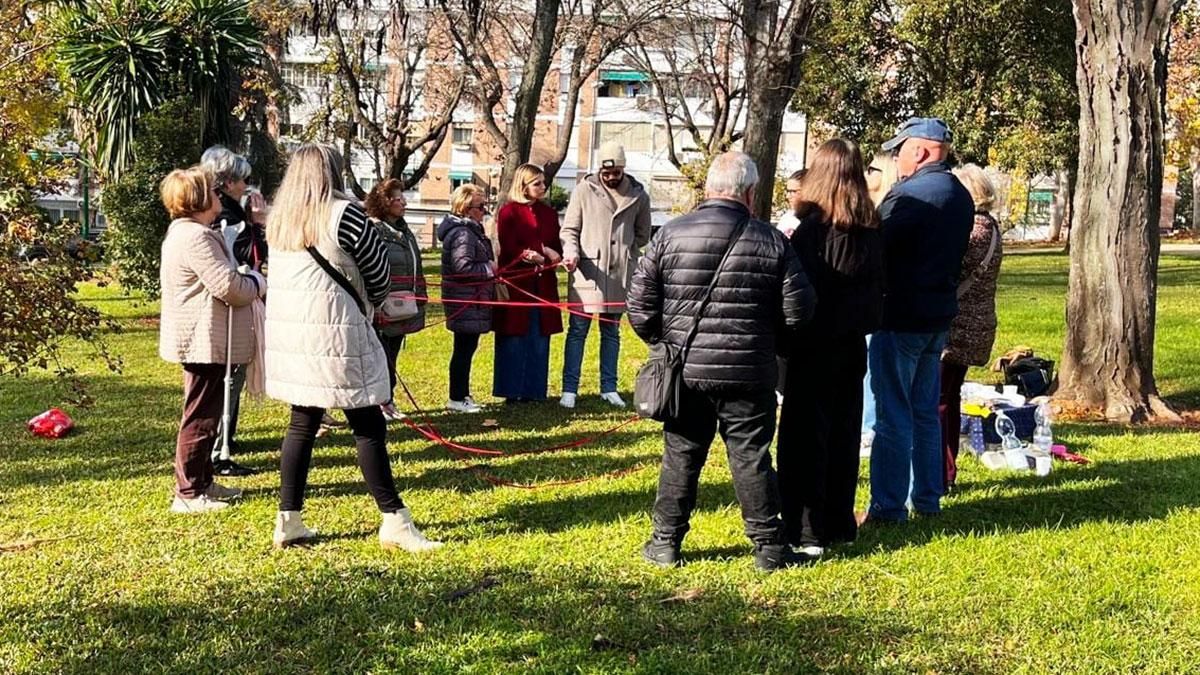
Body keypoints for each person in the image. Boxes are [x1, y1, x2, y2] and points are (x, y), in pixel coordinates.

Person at [627, 151, 817, 572]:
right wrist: (769, 343)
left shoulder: (670, 234)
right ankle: (769, 548)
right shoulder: (772, 240)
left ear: (708, 187)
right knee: (751, 457)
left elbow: (639, 307)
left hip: (686, 370)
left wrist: (665, 345)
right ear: (749, 192)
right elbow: (799, 311)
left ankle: (665, 543)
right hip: (750, 372)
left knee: (681, 455)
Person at [263, 144, 441, 552]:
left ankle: (288, 517)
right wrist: (374, 302)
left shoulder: (281, 219)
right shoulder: (346, 214)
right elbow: (378, 275)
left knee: (302, 424)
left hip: (294, 337)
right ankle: (394, 519)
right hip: (338, 332)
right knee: (368, 424)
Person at [776, 139, 884, 558]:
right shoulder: (871, 230)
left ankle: (807, 529)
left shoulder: (812, 232)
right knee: (842, 432)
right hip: (851, 344)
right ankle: (839, 519)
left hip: (813, 345)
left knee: (806, 438)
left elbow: (798, 295)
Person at [865, 117, 974, 524]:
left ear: (921, 151)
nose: (896, 159)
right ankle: (927, 499)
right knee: (926, 412)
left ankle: (888, 507)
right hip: (936, 317)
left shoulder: (908, 195)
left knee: (893, 413)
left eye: (900, 150)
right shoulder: (960, 196)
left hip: (901, 316)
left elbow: (876, 252)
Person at [157, 167, 265, 513]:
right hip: (202, 339)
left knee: (209, 411)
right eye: (213, 192)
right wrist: (259, 284)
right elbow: (230, 288)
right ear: (200, 199)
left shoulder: (190, 233)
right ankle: (188, 493)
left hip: (207, 337)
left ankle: (203, 482)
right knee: (201, 415)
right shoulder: (195, 238)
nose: (220, 196)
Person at [559, 142, 651, 409]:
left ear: (623, 169)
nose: (611, 177)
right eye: (606, 172)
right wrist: (572, 251)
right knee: (578, 331)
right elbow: (569, 230)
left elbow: (643, 233)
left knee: (611, 332)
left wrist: (626, 253)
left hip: (620, 275)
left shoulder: (639, 195)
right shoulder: (583, 190)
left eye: (616, 173)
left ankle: (608, 387)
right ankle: (569, 389)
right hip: (587, 273)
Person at [200, 145, 268, 476]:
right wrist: (256, 224)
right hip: (229, 309)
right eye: (242, 180)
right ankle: (217, 449)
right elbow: (243, 257)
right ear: (226, 182)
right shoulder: (226, 218)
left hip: (240, 306)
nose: (246, 187)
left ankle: (226, 437)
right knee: (228, 378)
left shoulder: (232, 213)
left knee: (234, 375)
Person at [941, 164, 1003, 490]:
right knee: (948, 400)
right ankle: (945, 471)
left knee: (939, 401)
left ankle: (941, 472)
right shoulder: (990, 227)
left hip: (958, 327)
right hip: (973, 326)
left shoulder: (973, 231)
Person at [492, 163, 563, 403]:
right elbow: (509, 246)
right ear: (523, 186)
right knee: (513, 337)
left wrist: (553, 254)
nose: (543, 187)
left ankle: (534, 390)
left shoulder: (549, 214)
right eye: (537, 183)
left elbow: (556, 246)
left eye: (543, 183)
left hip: (543, 286)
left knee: (539, 337)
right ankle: (511, 390)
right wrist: (534, 253)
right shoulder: (509, 212)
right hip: (517, 285)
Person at [364, 178, 426, 422]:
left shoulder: (405, 230)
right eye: (397, 198)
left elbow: (415, 264)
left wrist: (419, 293)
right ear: (383, 202)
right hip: (383, 305)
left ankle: (387, 398)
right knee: (380, 356)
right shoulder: (373, 228)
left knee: (392, 356)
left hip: (404, 304)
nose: (403, 202)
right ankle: (379, 402)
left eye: (403, 197)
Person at [436, 184, 495, 413]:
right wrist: (489, 268)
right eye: (481, 207)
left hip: (471, 300)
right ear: (467, 208)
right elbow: (463, 267)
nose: (484, 211)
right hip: (465, 301)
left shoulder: (471, 230)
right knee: (463, 350)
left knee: (466, 349)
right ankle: (457, 398)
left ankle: (462, 394)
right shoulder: (463, 233)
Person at [860, 152, 900, 453]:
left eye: (871, 168)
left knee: (874, 366)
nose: (865, 172)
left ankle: (869, 427)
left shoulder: (887, 211)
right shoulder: (871, 209)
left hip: (879, 302)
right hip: (870, 301)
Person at [775, 168, 807, 404]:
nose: (790, 196)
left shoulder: (812, 223)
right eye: (788, 191)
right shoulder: (787, 219)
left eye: (794, 191)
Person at [776, 169, 808, 238]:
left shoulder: (819, 222)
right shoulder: (786, 218)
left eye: (793, 191)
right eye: (787, 191)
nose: (788, 196)